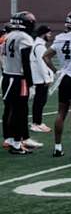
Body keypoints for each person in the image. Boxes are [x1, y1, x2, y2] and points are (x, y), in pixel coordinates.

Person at [43, 10, 71, 158]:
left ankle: (57, 147)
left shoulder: (60, 38)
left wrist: (57, 71)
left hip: (63, 77)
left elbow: (46, 56)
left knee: (60, 113)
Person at [2, 11, 40, 154]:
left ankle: (12, 139)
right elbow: (25, 63)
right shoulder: (25, 38)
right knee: (20, 111)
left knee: (11, 109)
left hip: (7, 75)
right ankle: (17, 143)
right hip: (18, 78)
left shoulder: (8, 36)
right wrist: (31, 84)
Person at [30, 25, 54, 134]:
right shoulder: (39, 46)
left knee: (40, 101)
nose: (50, 36)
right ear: (44, 34)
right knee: (39, 101)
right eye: (48, 33)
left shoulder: (39, 44)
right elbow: (41, 64)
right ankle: (36, 123)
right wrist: (47, 78)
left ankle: (37, 122)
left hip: (40, 78)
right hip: (40, 79)